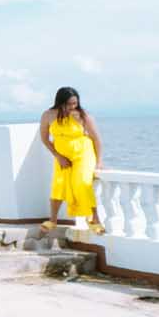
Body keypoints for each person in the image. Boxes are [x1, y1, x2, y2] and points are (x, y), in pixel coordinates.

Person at [40, 85, 104, 231]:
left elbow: (97, 139)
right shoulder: (48, 115)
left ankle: (95, 219)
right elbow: (44, 139)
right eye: (69, 103)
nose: (72, 106)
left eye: (75, 103)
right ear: (60, 102)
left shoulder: (83, 115)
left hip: (83, 153)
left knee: (82, 183)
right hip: (62, 156)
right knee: (58, 186)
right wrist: (58, 156)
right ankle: (52, 221)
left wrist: (99, 161)